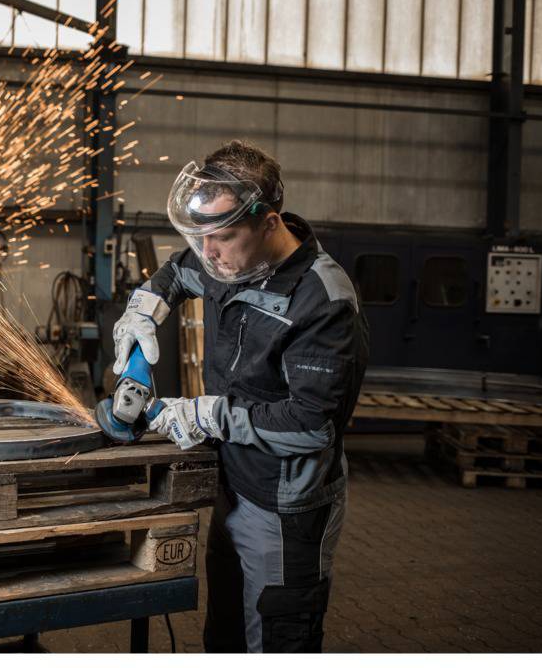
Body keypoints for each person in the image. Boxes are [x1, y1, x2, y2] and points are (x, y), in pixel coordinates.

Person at [111, 140, 369, 653]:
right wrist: (143, 309)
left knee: (275, 638)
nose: (209, 253)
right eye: (200, 237)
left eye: (222, 237)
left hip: (283, 505)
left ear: (269, 222)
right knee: (224, 631)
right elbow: (177, 272)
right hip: (232, 482)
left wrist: (204, 415)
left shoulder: (323, 301)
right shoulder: (225, 257)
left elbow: (311, 425)